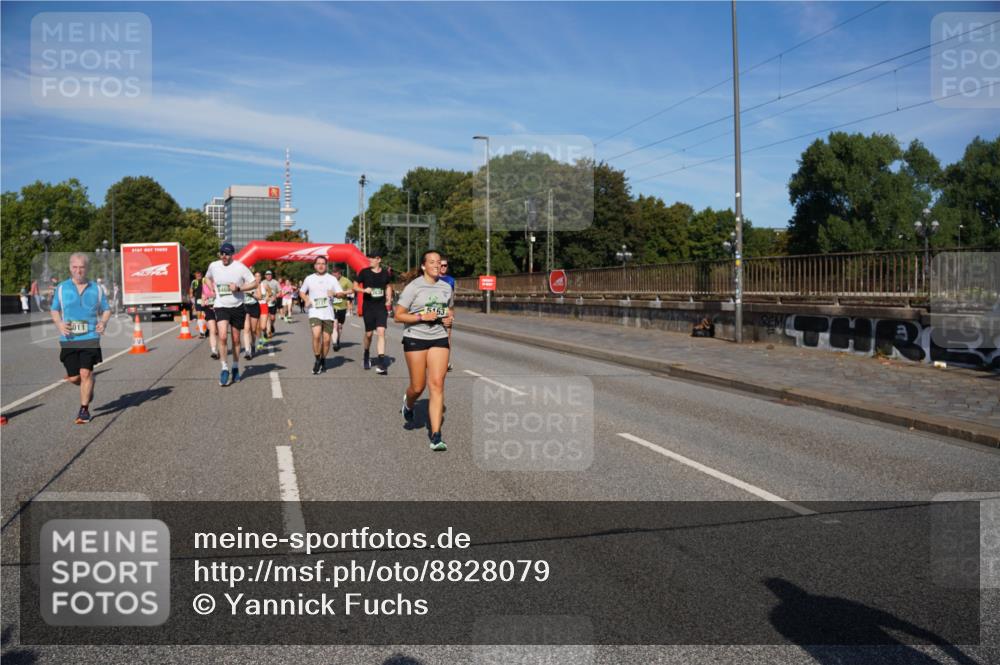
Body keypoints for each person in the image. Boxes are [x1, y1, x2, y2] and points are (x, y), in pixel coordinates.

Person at [395, 250, 454, 451]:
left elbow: (448, 311)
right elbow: (398, 315)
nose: (437, 265)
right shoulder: (414, 287)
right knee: (418, 387)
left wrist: (447, 319)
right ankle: (409, 404)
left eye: (439, 262)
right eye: (432, 262)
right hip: (415, 337)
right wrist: (421, 317)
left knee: (437, 384)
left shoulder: (446, 288)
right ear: (423, 266)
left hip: (438, 337)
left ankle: (436, 436)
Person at [49, 253, 111, 424]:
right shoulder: (62, 288)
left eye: (81, 267)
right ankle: (88, 384)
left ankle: (84, 410)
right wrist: (60, 324)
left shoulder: (96, 289)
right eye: (75, 267)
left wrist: (103, 323)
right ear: (70, 268)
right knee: (74, 378)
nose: (78, 270)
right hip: (68, 338)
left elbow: (106, 309)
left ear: (87, 268)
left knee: (86, 372)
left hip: (90, 336)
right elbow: (54, 310)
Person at [205, 242, 256, 386]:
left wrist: (239, 288)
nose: (224, 256)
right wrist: (212, 290)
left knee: (236, 340)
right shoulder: (214, 266)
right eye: (222, 253)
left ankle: (234, 366)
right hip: (221, 306)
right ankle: (224, 368)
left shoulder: (240, 267)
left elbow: (253, 283)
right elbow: (207, 278)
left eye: (227, 254)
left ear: (232, 254)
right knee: (222, 336)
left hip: (237, 306)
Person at [353, 251, 393, 375]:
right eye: (368, 258)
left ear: (378, 259)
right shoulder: (364, 272)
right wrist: (364, 289)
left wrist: (388, 299)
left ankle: (381, 363)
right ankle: (366, 353)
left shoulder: (385, 273)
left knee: (381, 331)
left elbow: (388, 286)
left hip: (380, 307)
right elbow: (354, 286)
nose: (369, 260)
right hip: (368, 307)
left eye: (372, 258)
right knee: (369, 334)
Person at [300, 256, 340, 374]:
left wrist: (335, 293)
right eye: (318, 263)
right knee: (316, 335)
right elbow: (302, 291)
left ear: (326, 266)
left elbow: (340, 293)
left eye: (323, 263)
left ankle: (323, 359)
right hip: (314, 312)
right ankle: (317, 359)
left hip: (328, 313)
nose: (321, 266)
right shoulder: (309, 278)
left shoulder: (332, 279)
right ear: (315, 266)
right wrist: (306, 298)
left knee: (327, 341)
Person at [438, 255, 456, 372]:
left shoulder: (451, 280)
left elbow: (452, 299)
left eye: (445, 265)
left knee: (447, 336)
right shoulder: (433, 278)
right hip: (433, 310)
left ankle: (446, 361)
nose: (443, 267)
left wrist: (451, 313)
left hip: (445, 311)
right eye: (441, 265)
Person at [330, 264, 353, 352]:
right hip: (332, 306)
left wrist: (343, 293)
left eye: (336, 273)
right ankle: (335, 343)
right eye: (333, 273)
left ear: (340, 273)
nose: (334, 275)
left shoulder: (346, 281)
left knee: (339, 326)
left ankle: (337, 340)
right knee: (335, 325)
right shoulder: (329, 280)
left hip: (342, 306)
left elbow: (352, 289)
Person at [241, 271, 262, 360]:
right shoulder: (241, 283)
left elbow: (260, 297)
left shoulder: (256, 284)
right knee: (246, 329)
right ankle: (247, 351)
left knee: (253, 330)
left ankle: (253, 344)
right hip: (244, 306)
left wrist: (251, 293)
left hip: (254, 306)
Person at [201, 277, 219, 358]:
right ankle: (214, 350)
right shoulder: (204, 285)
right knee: (212, 329)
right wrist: (203, 301)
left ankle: (220, 348)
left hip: (219, 308)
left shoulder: (218, 283)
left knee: (219, 331)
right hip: (208, 308)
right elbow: (203, 296)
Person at [263, 270, 280, 339]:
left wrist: (275, 297)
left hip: (273, 303)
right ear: (265, 276)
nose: (268, 275)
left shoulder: (275, 282)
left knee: (272, 318)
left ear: (271, 275)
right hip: (265, 303)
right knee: (266, 318)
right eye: (267, 274)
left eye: (270, 274)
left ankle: (272, 325)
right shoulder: (263, 282)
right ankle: (267, 332)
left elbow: (280, 292)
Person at [190, 270, 205, 337]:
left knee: (205, 315)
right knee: (199, 315)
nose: (198, 276)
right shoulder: (194, 282)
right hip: (198, 299)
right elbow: (191, 291)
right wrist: (193, 301)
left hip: (205, 299)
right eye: (197, 275)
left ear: (201, 275)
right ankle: (202, 332)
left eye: (199, 275)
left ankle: (207, 329)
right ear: (195, 276)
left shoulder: (204, 280)